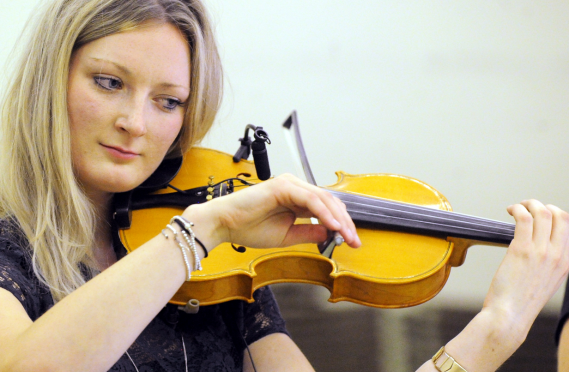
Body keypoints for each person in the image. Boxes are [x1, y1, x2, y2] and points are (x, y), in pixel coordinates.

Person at [0, 1, 567, 371]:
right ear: (52, 78)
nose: (137, 122)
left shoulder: (222, 271)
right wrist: (200, 226)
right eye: (108, 82)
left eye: (168, 101)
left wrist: (500, 327)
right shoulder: (14, 248)